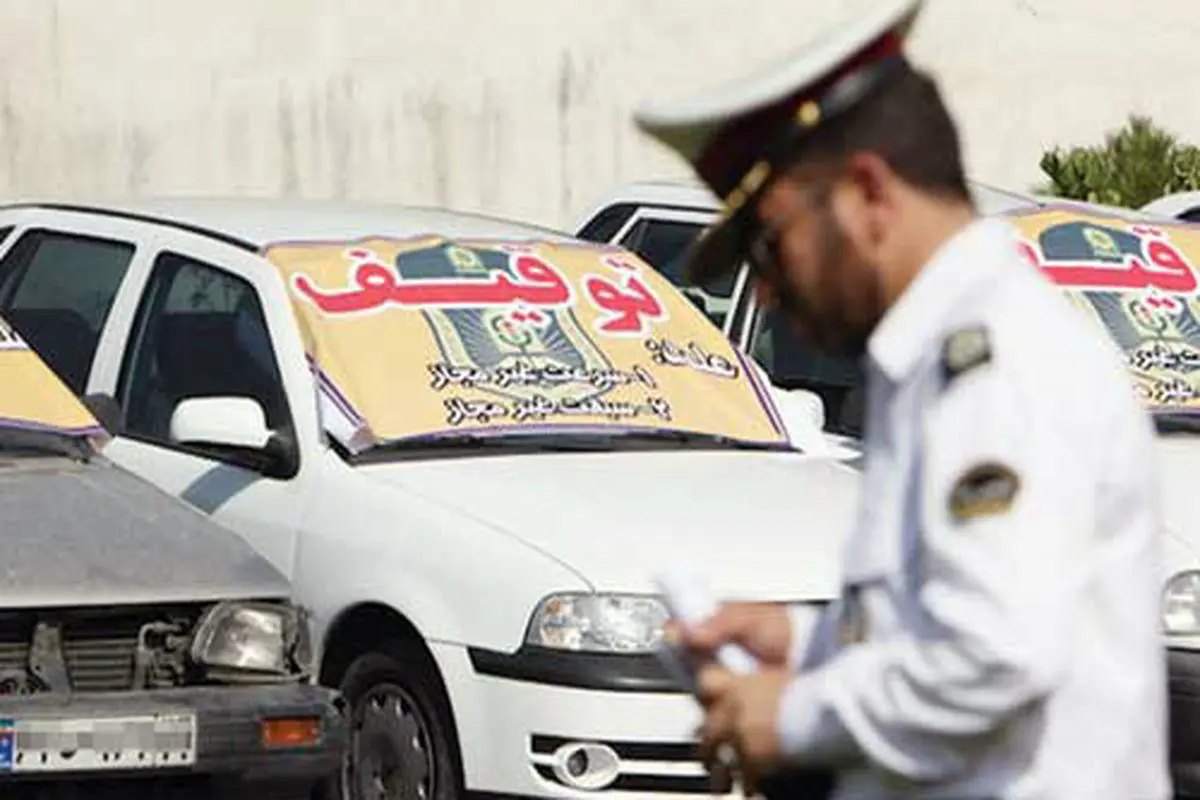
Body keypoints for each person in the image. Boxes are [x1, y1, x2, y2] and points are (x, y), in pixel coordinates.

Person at [632, 1, 1170, 797]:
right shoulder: (930, 356)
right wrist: (802, 641)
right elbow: (942, 618)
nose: (767, 292)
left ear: (866, 194)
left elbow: (995, 653)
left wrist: (795, 717)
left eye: (770, 245)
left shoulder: (996, 363)